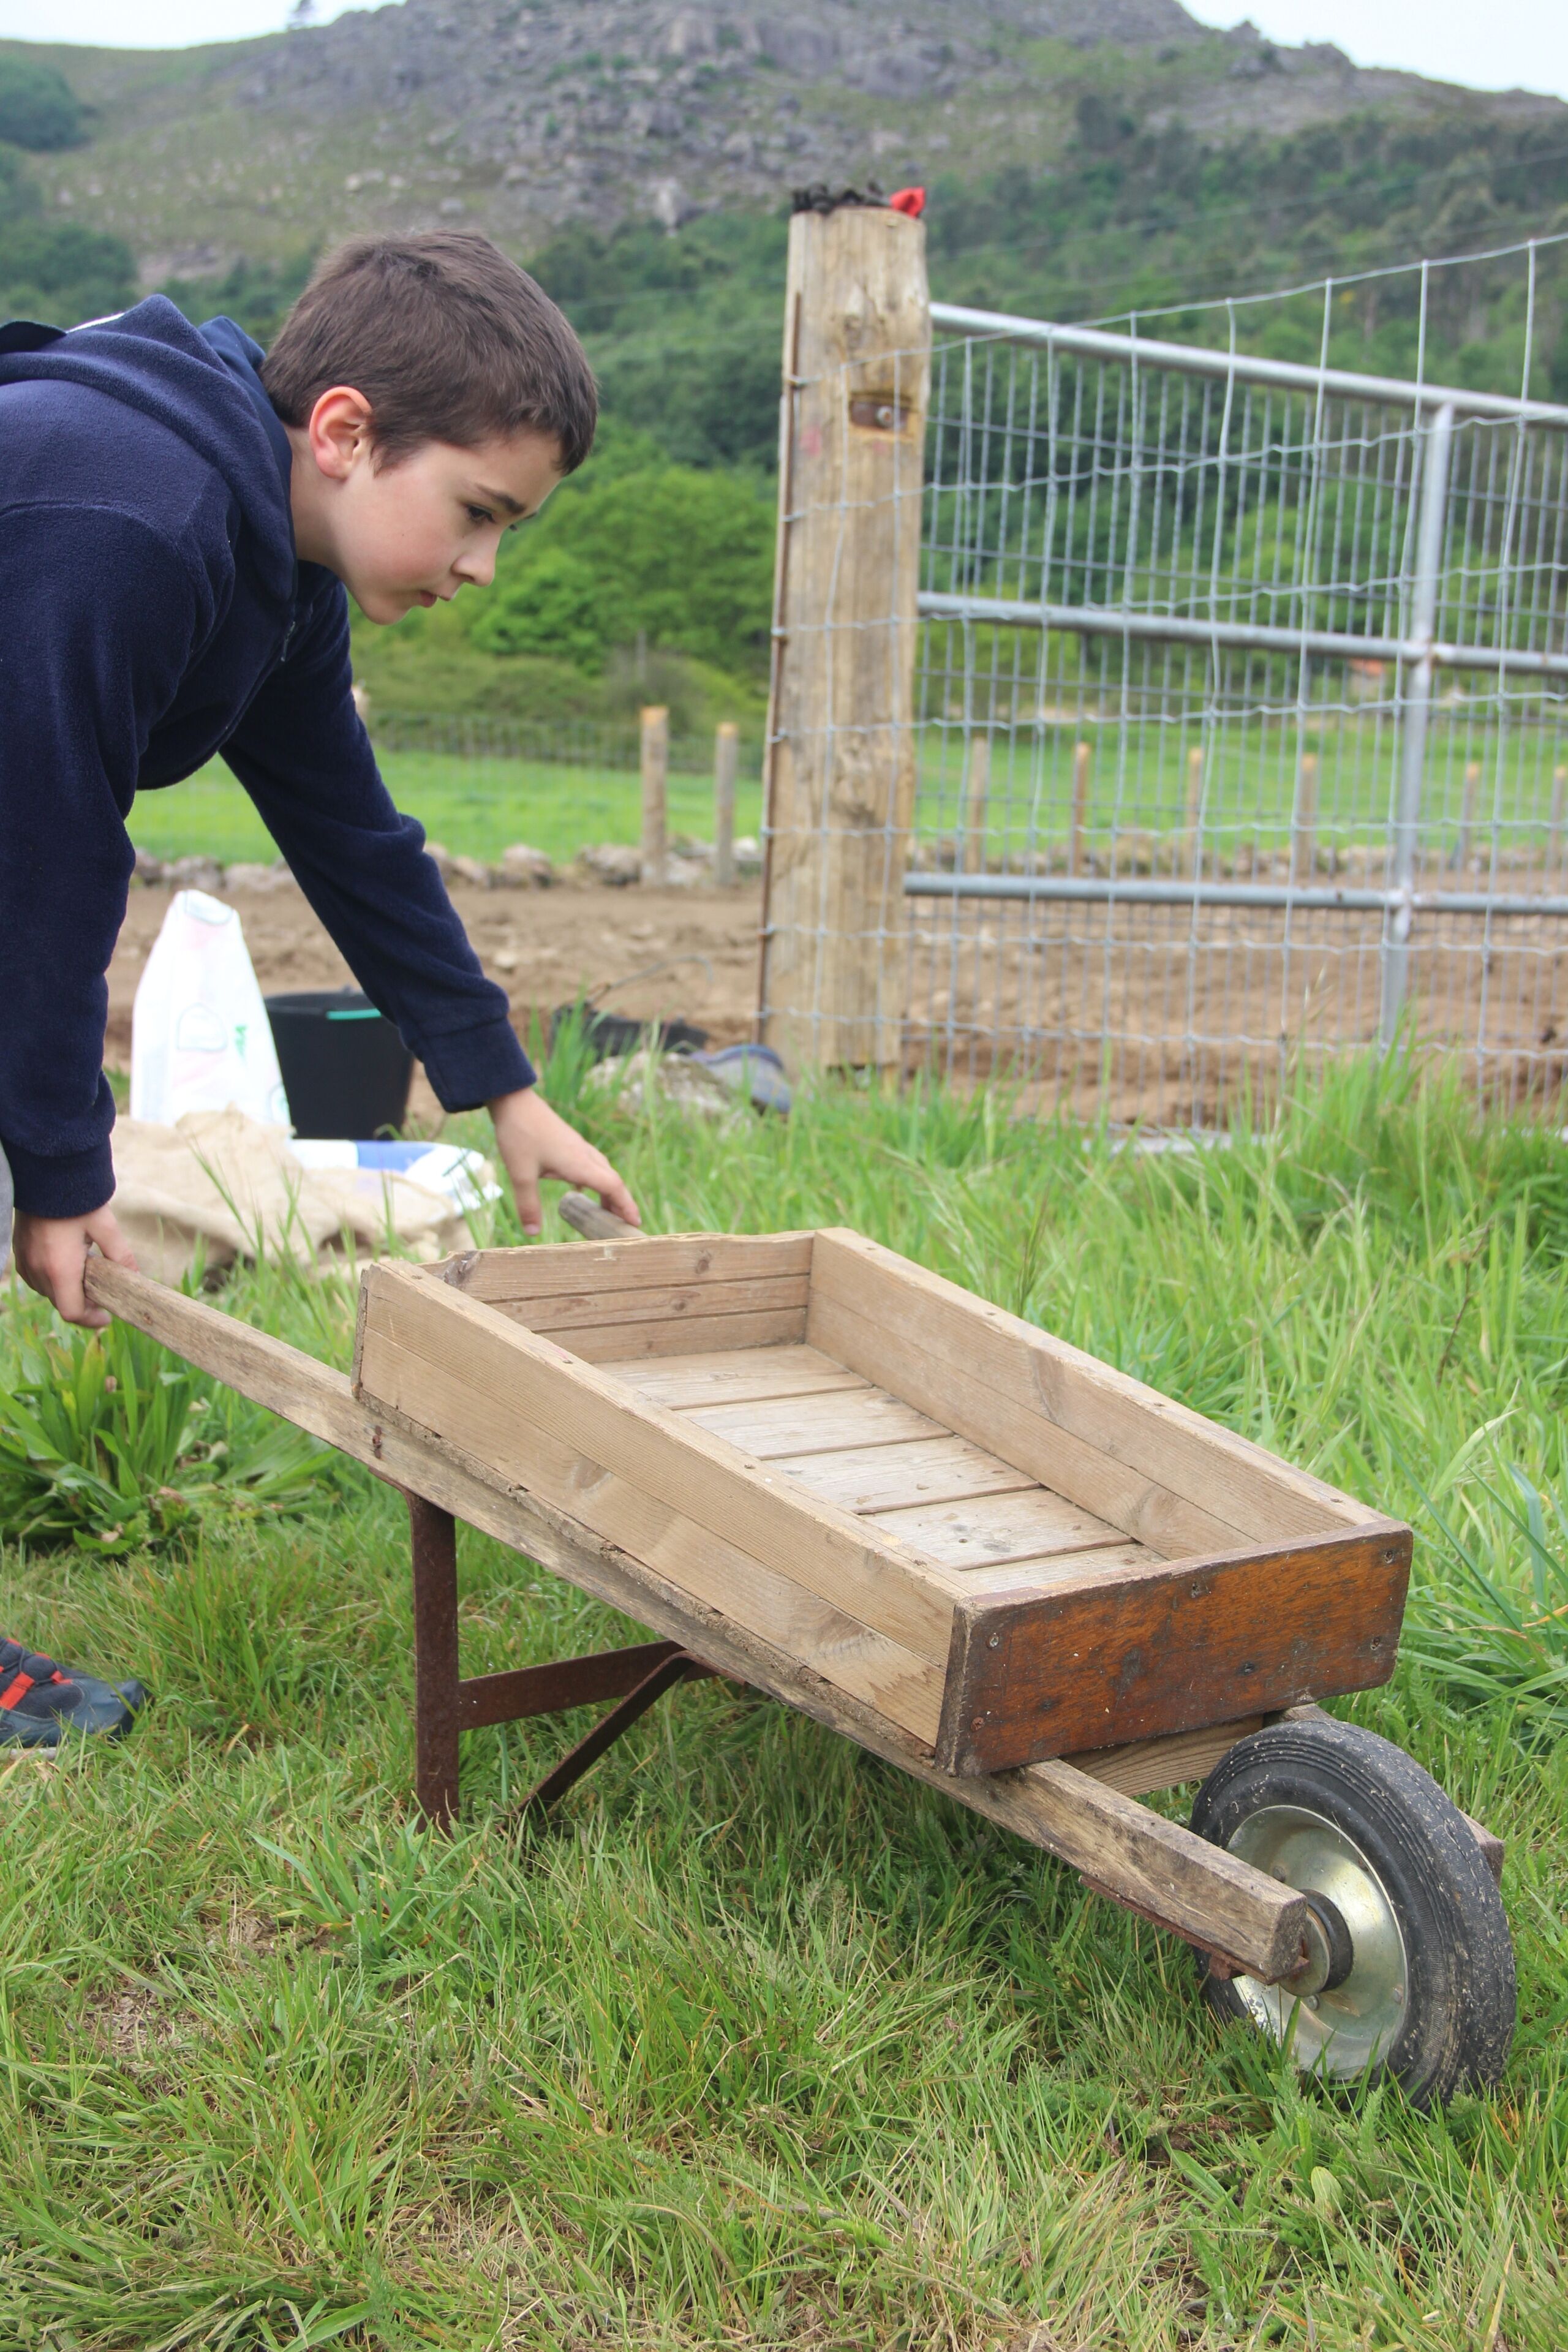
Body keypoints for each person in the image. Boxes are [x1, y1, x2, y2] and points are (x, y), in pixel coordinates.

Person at [0, 231, 639, 1741]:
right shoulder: (133, 520)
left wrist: (501, 1083)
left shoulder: (266, 567)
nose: (484, 568)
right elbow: (49, 857)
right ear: (347, 433)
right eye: (478, 513)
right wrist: (59, 1165)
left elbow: (352, 837)